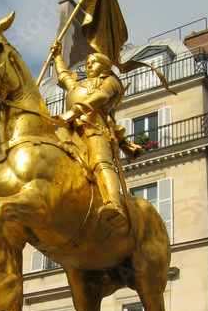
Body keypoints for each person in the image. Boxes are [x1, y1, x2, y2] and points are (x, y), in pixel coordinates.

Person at [51, 40, 142, 229]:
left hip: (93, 129)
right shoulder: (77, 86)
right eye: (87, 63)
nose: (88, 65)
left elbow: (100, 97)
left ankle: (113, 204)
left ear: (105, 66)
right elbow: (63, 76)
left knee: (101, 163)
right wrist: (57, 55)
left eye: (93, 61)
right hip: (67, 132)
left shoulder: (110, 82)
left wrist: (74, 111)